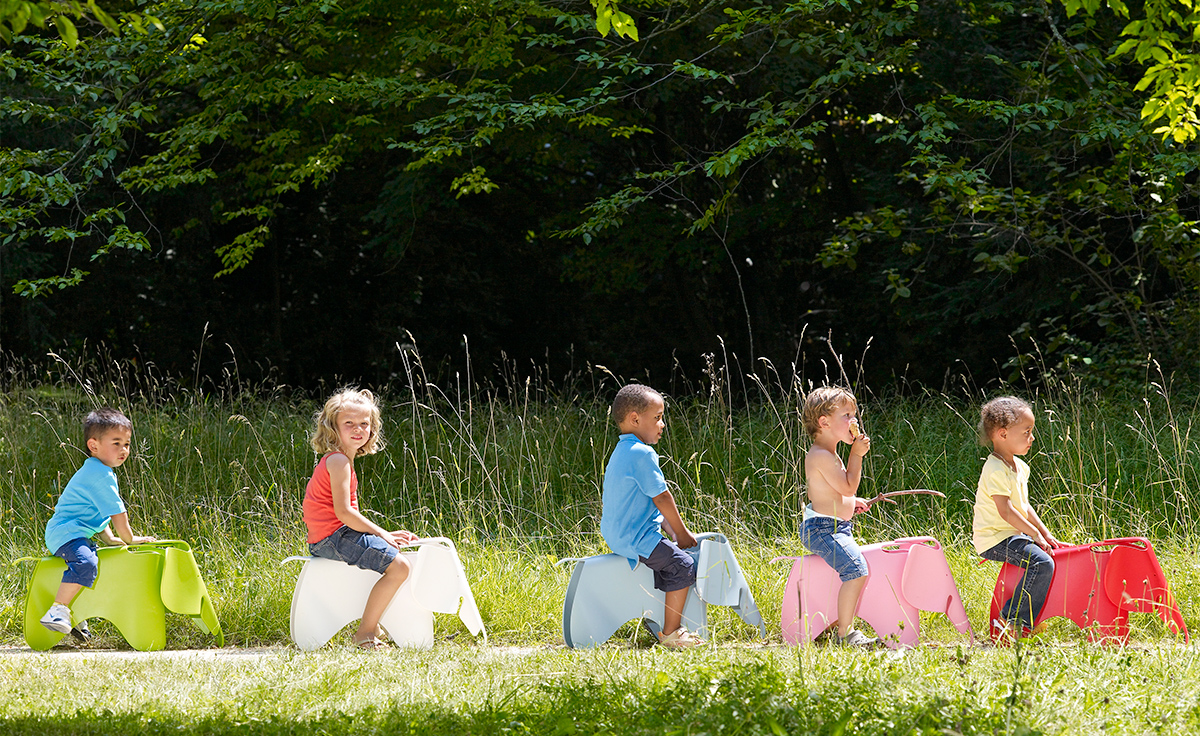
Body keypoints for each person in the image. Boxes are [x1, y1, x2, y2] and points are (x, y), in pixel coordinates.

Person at [303, 388, 417, 650]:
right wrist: (381, 533)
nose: (358, 429)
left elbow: (345, 516)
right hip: (332, 538)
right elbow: (344, 513)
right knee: (400, 567)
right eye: (349, 423)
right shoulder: (339, 461)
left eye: (364, 423)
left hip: (331, 536)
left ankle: (373, 625)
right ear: (333, 428)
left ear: (372, 428)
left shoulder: (340, 460)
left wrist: (383, 535)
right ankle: (365, 634)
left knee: (393, 557)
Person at [600, 383, 702, 648]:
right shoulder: (642, 453)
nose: (662, 424)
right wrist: (681, 533)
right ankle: (672, 633)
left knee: (671, 556)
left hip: (621, 532)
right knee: (683, 564)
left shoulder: (622, 451)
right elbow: (662, 498)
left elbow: (651, 505)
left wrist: (672, 531)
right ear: (635, 419)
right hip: (635, 537)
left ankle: (658, 617)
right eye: (657, 418)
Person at [41, 407, 156, 640]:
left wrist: (109, 538)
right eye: (116, 443)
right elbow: (117, 512)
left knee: (92, 563)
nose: (124, 450)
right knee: (86, 562)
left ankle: (76, 616)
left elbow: (94, 511)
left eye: (127, 444)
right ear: (93, 445)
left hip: (69, 532)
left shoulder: (98, 470)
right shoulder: (100, 474)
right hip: (66, 534)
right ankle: (57, 610)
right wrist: (129, 538)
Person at [973, 396, 1062, 640]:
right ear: (1002, 434)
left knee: (1050, 556)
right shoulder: (995, 469)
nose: (1032, 438)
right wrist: (1033, 535)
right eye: (1026, 432)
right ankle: (1013, 620)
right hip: (994, 538)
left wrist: (1044, 533)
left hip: (1013, 534)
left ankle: (1031, 617)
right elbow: (1006, 511)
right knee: (1041, 563)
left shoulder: (1020, 467)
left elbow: (1023, 506)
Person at [800, 386, 877, 647]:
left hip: (833, 526)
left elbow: (836, 491)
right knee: (856, 570)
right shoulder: (821, 455)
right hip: (822, 529)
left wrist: (851, 503)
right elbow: (847, 485)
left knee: (855, 569)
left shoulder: (828, 454)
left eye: (853, 415)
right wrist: (856, 454)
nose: (854, 421)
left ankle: (837, 625)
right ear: (824, 422)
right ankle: (846, 634)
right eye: (846, 415)